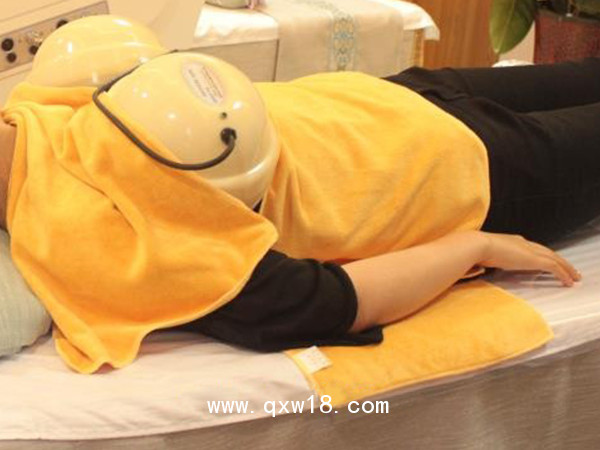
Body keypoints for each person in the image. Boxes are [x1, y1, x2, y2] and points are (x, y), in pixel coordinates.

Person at [0, 16, 592, 372]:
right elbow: (320, 304)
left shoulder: (30, 111)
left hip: (395, 98)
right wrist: (472, 248)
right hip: (469, 171)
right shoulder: (91, 239)